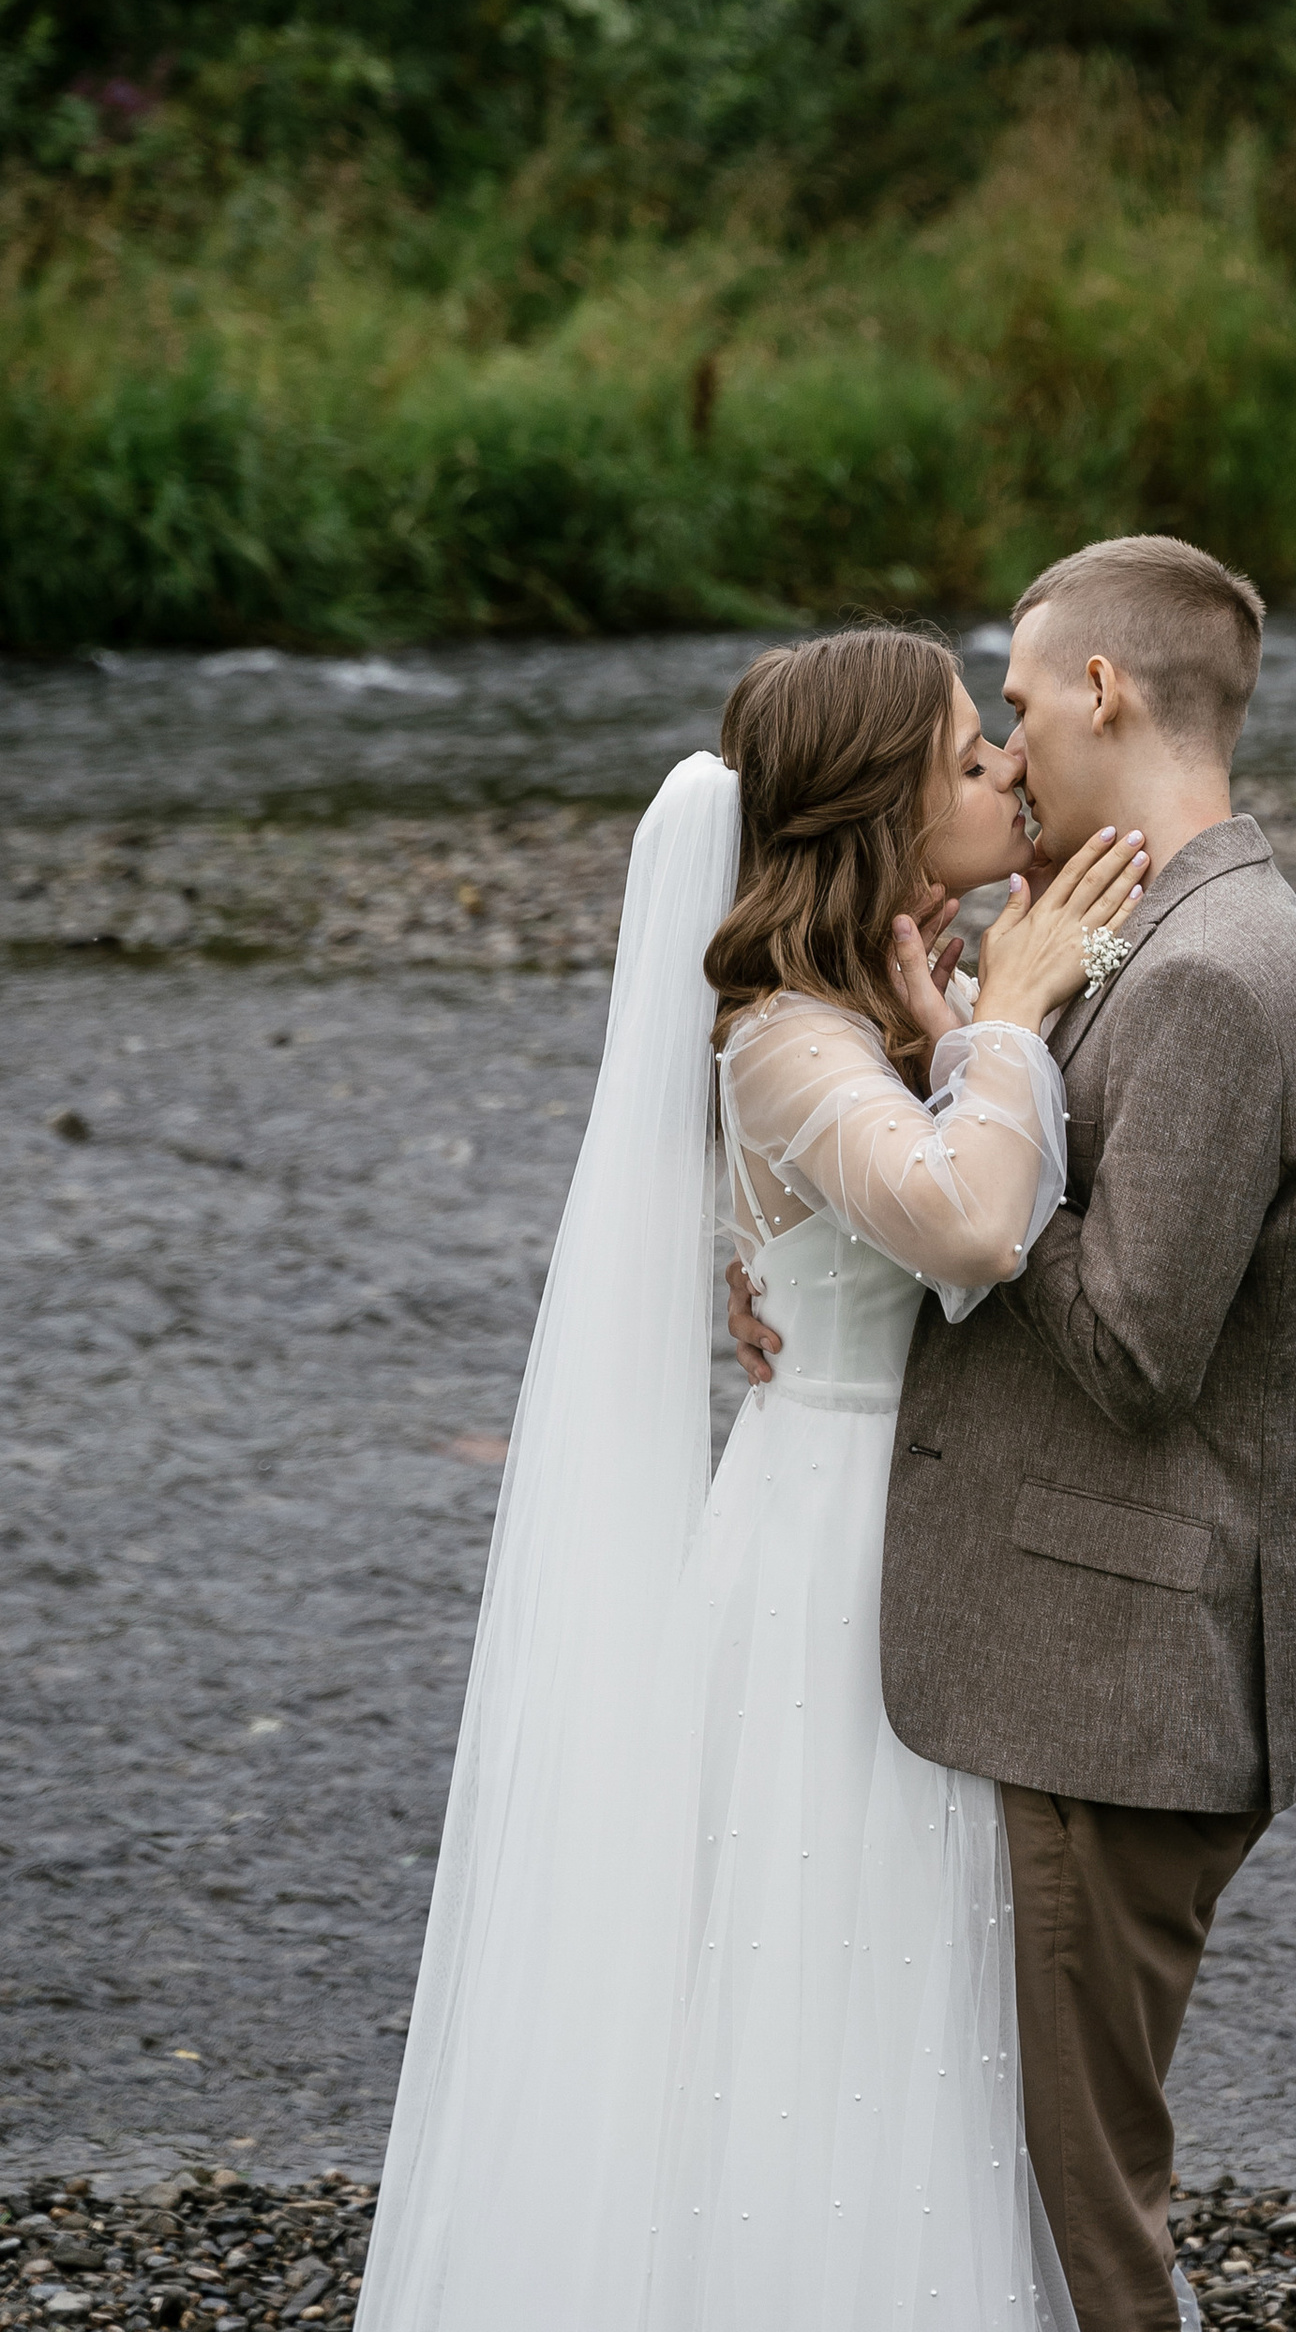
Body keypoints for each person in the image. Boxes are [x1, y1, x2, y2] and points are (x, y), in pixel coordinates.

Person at [356, 625, 1147, 2332]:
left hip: (889, 1526)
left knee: (913, 1987)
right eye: (964, 754)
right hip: (833, 1569)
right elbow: (969, 1225)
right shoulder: (788, 1040)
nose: (1005, 769)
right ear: (874, 806)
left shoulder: (858, 1012)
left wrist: (949, 1024)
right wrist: (1010, 1012)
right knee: (837, 1989)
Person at [730, 535, 1296, 2332]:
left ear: (1103, 692)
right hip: (1060, 1652)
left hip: (1120, 1674)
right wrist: (894, 1156)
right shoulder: (1146, 932)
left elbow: (1137, 1347)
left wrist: (966, 1101)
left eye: (1012, 703)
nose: (1003, 747)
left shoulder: (1215, 973)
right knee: (1027, 2175)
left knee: (1092, 2220)